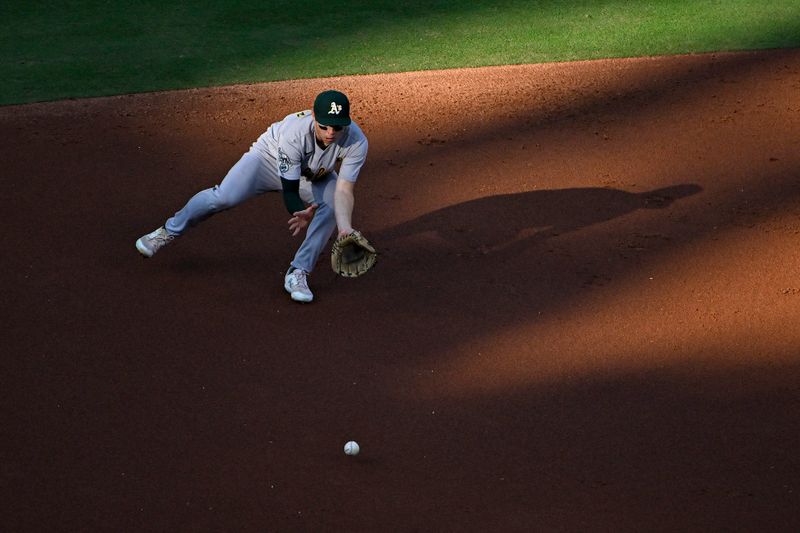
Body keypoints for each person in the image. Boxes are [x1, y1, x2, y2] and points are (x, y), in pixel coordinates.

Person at [135, 90, 369, 303]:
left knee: (331, 206)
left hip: (311, 175)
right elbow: (289, 188)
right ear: (313, 117)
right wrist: (298, 210)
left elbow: (344, 189)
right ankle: (167, 231)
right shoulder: (295, 133)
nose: (331, 133)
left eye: (337, 127)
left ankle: (298, 272)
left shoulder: (356, 141)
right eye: (325, 125)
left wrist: (345, 228)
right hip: (266, 160)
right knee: (223, 197)